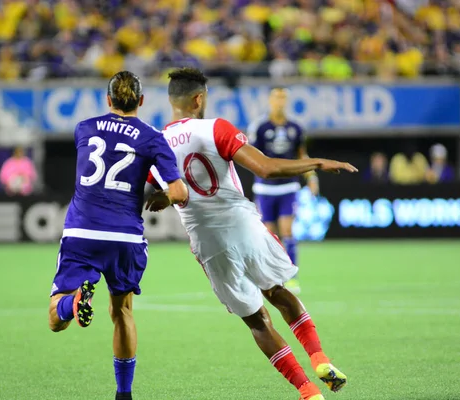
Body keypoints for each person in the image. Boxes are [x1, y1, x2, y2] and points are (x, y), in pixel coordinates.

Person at [146, 68, 356, 400]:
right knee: (278, 292)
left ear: (171, 101)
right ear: (199, 98)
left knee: (256, 320)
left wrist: (160, 196)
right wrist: (316, 163)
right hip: (242, 225)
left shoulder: (154, 143)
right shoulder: (216, 128)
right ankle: (319, 358)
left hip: (207, 243)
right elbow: (266, 167)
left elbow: (148, 194)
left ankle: (308, 392)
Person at [47, 71, 188, 400]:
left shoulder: (84, 128)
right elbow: (179, 192)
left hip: (81, 231)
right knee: (122, 312)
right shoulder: (153, 137)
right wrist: (162, 197)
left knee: (56, 318)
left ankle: (72, 303)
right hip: (125, 237)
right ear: (141, 101)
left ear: (108, 100)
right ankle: (123, 395)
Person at [247, 87, 318, 295]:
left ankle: (291, 276)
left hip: (288, 186)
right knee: (269, 235)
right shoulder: (259, 127)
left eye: (283, 97)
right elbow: (251, 155)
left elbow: (301, 154)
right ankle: (270, 276)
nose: (280, 101)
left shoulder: (295, 127)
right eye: (277, 97)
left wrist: (311, 177)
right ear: (270, 100)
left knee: (287, 231)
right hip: (265, 188)